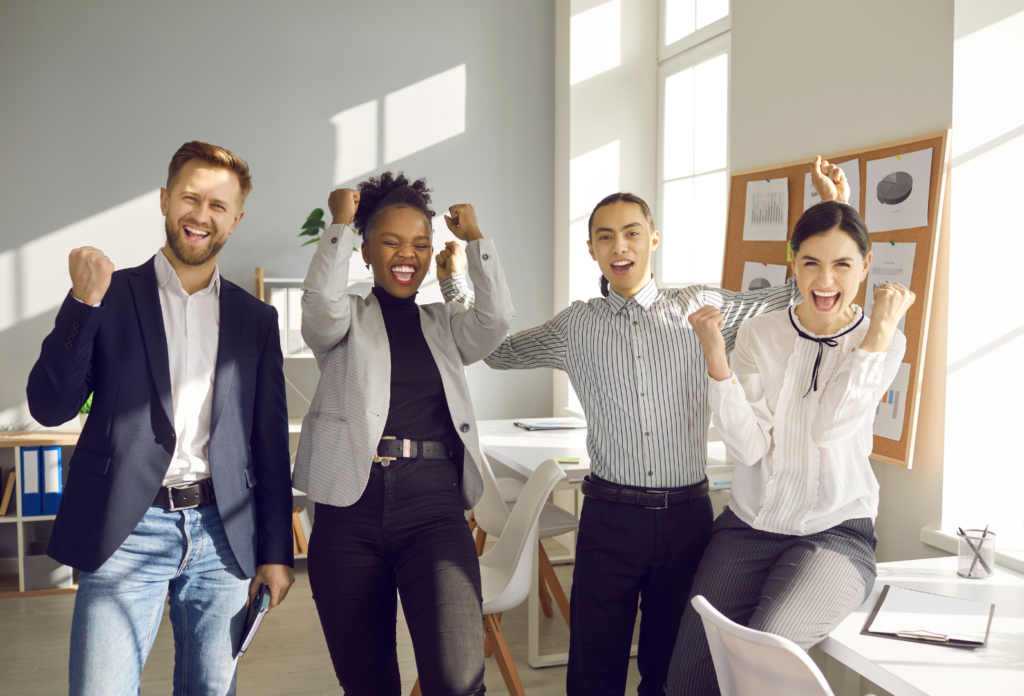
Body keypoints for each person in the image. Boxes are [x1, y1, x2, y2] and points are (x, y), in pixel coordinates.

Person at [435, 157, 849, 695]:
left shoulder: (701, 305)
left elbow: (793, 298)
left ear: (654, 238)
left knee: (668, 666)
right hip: (609, 517)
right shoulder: (575, 325)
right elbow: (492, 351)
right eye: (605, 237)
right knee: (593, 670)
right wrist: (458, 281)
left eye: (632, 233)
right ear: (592, 250)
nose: (620, 247)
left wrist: (831, 207)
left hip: (687, 519)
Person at [27, 141, 295, 696]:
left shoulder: (256, 319)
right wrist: (82, 303)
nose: (201, 215)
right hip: (127, 528)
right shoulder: (109, 295)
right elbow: (49, 407)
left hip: (224, 533)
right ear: (164, 200)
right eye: (190, 198)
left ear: (236, 219)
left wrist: (275, 554)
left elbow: (267, 445)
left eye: (218, 206)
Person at [665, 200, 914, 695]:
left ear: (866, 266)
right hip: (748, 527)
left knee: (766, 665)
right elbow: (748, 445)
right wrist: (718, 359)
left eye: (843, 264)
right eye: (811, 263)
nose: (825, 280)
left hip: (836, 533)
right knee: (690, 677)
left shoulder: (882, 339)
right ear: (793, 262)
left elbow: (830, 428)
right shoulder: (760, 332)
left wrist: (880, 332)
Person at [292, 172, 514, 695]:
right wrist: (339, 224)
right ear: (365, 252)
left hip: (433, 506)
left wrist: (478, 238)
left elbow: (497, 318)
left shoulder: (445, 324)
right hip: (350, 508)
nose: (406, 255)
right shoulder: (345, 319)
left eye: (419, 243)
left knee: (458, 682)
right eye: (390, 242)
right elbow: (318, 310)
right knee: (368, 685)